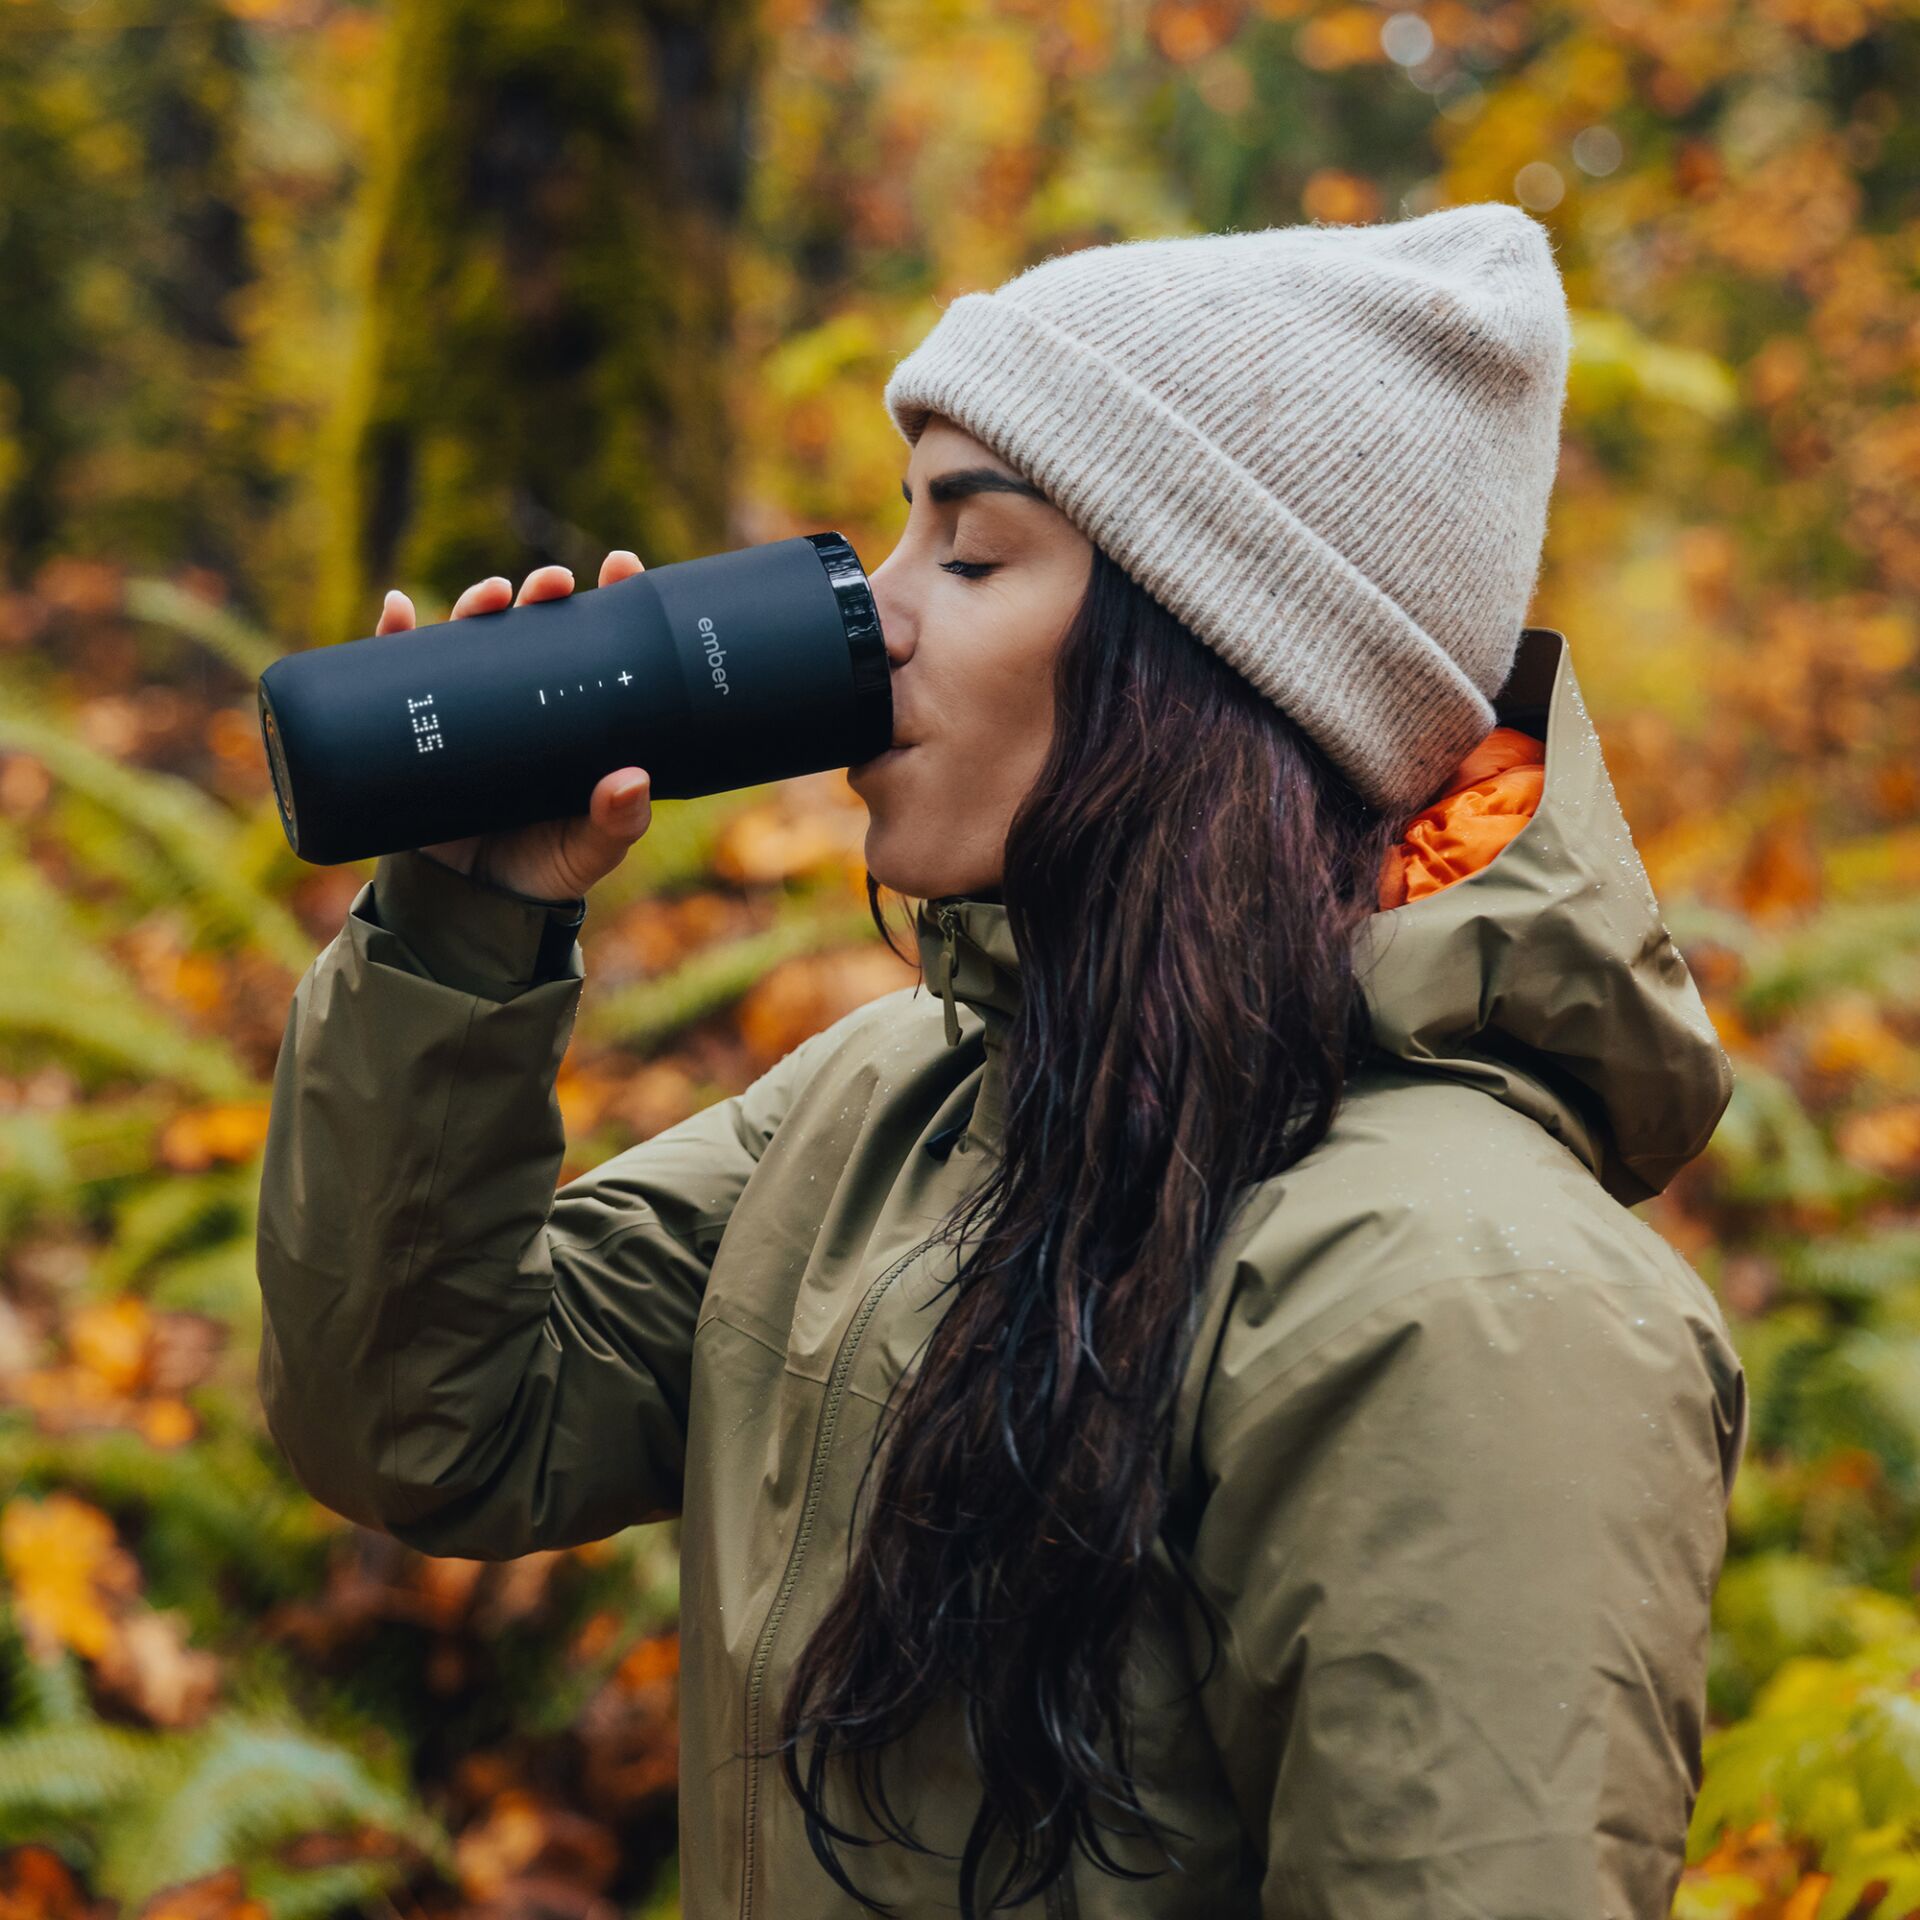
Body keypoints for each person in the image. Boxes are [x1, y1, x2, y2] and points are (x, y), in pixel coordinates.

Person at [256, 201, 1750, 1920]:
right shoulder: (899, 1106)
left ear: (1218, 664)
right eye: (900, 537)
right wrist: (462, 925)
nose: (870, 616)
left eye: (969, 557)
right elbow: (444, 1418)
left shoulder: (1471, 1304)